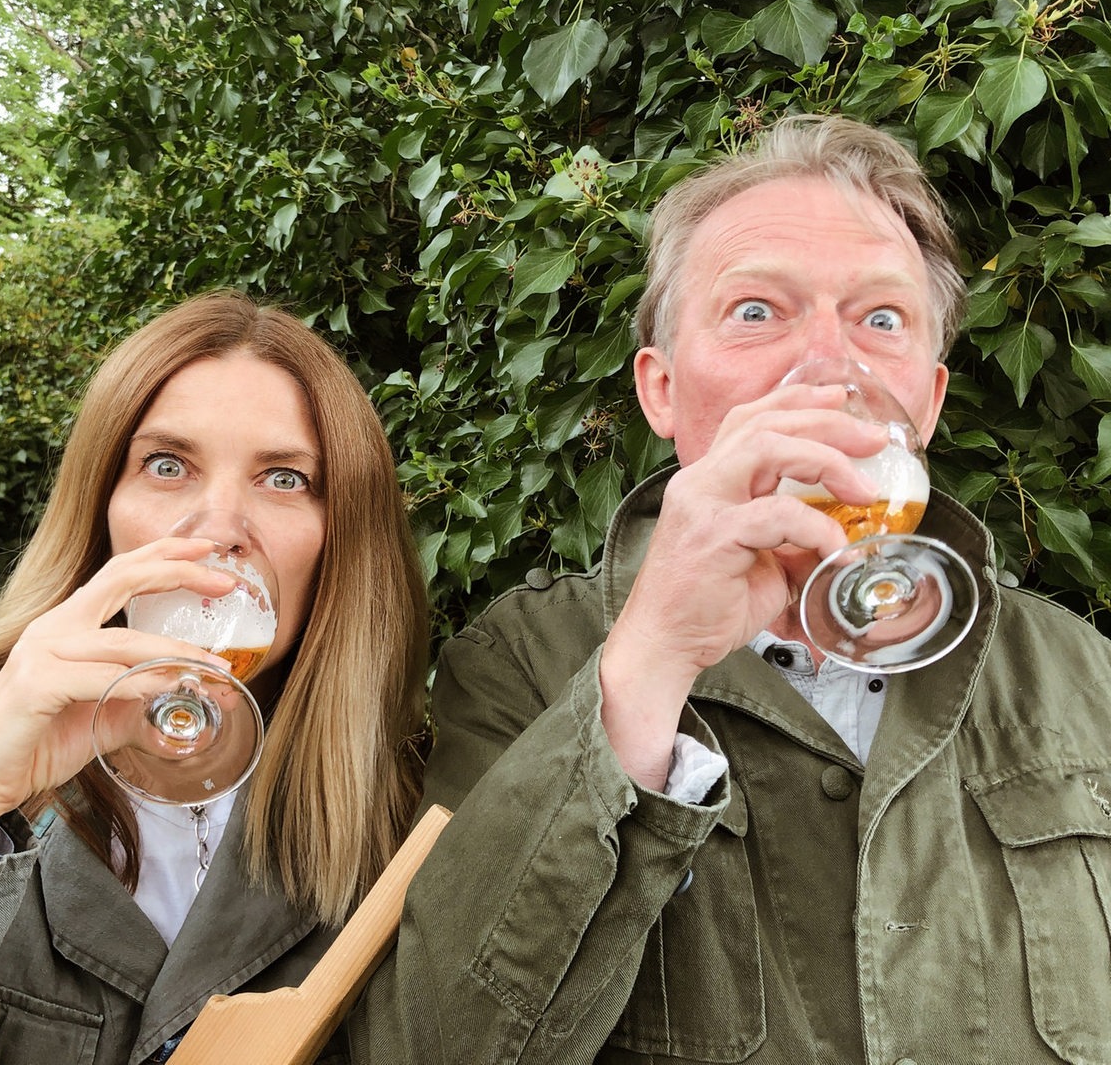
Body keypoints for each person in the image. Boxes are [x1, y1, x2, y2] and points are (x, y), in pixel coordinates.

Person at [350, 114, 1111, 1063]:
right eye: (758, 311)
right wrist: (651, 659)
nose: (830, 364)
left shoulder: (1086, 677)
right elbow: (431, 1046)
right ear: (660, 390)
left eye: (882, 319)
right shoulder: (519, 666)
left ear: (928, 398)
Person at [0, 290, 429, 1065]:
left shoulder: (399, 814)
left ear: (341, 538)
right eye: (168, 465)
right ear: (102, 507)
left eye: (283, 478)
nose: (218, 528)